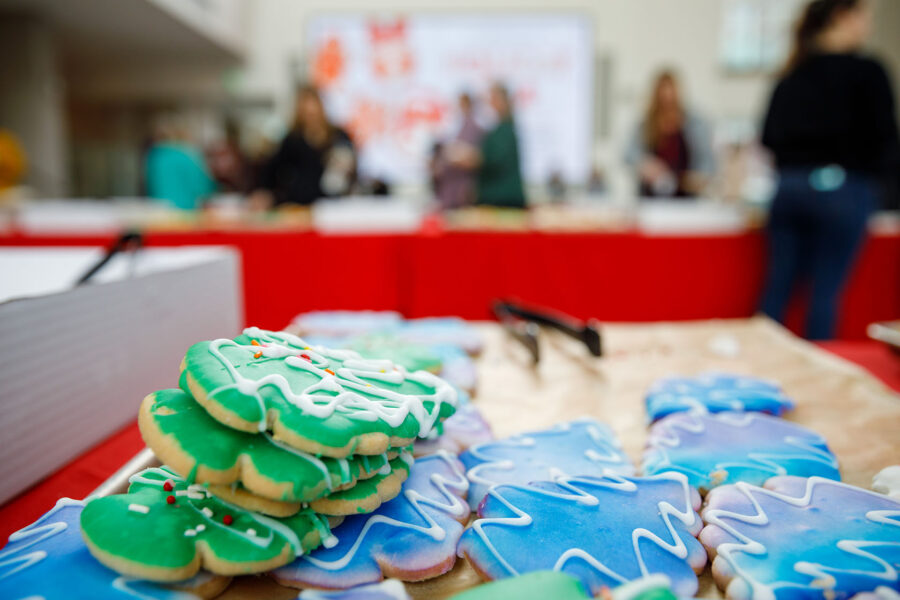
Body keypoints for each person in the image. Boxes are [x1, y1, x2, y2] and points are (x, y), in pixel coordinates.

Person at [759, 0, 900, 340]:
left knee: (777, 291)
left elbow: (769, 137)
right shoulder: (867, 72)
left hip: (790, 189)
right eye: (863, 15)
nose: (867, 24)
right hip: (843, 190)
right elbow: (886, 142)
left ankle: (756, 371)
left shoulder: (792, 74)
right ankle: (820, 378)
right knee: (824, 294)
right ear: (842, 16)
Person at [251, 85, 355, 207]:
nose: (310, 115)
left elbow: (351, 170)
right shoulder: (293, 139)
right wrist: (265, 192)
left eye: (313, 110)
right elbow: (272, 169)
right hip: (300, 205)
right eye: (306, 112)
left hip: (333, 204)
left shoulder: (338, 137)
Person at [625, 70, 715, 198]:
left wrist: (698, 177)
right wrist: (645, 165)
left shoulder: (696, 124)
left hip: (687, 198)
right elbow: (628, 154)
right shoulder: (644, 125)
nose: (667, 99)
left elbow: (708, 162)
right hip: (650, 198)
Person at [144, 115, 217, 210]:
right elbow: (203, 188)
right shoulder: (187, 155)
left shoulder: (154, 156)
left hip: (160, 211)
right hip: (185, 211)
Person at [475, 83, 526, 208]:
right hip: (497, 196)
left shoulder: (505, 131)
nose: (490, 104)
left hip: (502, 199)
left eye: (493, 99)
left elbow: (494, 160)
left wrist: (471, 159)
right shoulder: (499, 129)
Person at [430, 93, 482, 209]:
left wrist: (454, 156)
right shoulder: (456, 126)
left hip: (463, 187)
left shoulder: (474, 128)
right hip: (451, 185)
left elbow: (474, 159)